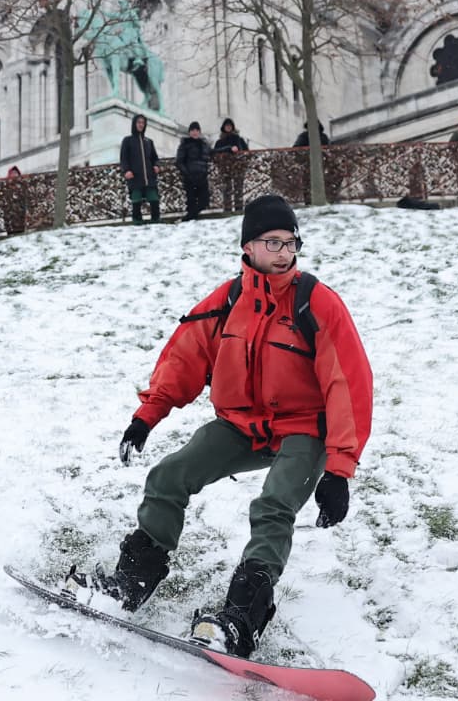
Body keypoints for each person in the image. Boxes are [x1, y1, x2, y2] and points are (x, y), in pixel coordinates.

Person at [82, 195, 372, 658]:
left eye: (290, 242)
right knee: (169, 476)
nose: (283, 252)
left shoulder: (316, 303)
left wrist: (339, 469)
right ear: (248, 247)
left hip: (304, 428)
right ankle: (133, 580)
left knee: (274, 504)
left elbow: (348, 386)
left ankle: (241, 617)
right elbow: (185, 358)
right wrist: (146, 417)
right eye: (272, 242)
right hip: (243, 425)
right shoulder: (229, 300)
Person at [121, 115, 162, 225]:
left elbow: (155, 158)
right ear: (134, 124)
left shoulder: (149, 141)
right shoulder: (127, 140)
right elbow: (124, 159)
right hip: (135, 177)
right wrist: (126, 171)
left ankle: (156, 221)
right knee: (136, 200)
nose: (140, 124)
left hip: (149, 177)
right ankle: (137, 222)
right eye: (138, 122)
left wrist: (156, 165)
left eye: (143, 123)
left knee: (154, 199)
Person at [177, 122, 213, 223]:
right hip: (190, 178)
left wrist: (229, 148)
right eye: (192, 130)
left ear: (199, 132)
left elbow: (214, 151)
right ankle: (190, 222)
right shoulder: (185, 144)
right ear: (189, 132)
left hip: (202, 176)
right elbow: (179, 161)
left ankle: (188, 218)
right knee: (191, 201)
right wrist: (187, 174)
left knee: (204, 201)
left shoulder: (204, 144)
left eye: (197, 130)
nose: (195, 132)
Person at [212, 120, 251, 213]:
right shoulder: (220, 142)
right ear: (223, 128)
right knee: (227, 189)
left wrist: (243, 162)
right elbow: (215, 153)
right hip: (225, 168)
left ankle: (239, 208)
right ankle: (228, 209)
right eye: (227, 126)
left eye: (230, 126)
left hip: (238, 168)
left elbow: (247, 153)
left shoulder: (239, 139)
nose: (228, 127)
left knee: (238, 189)